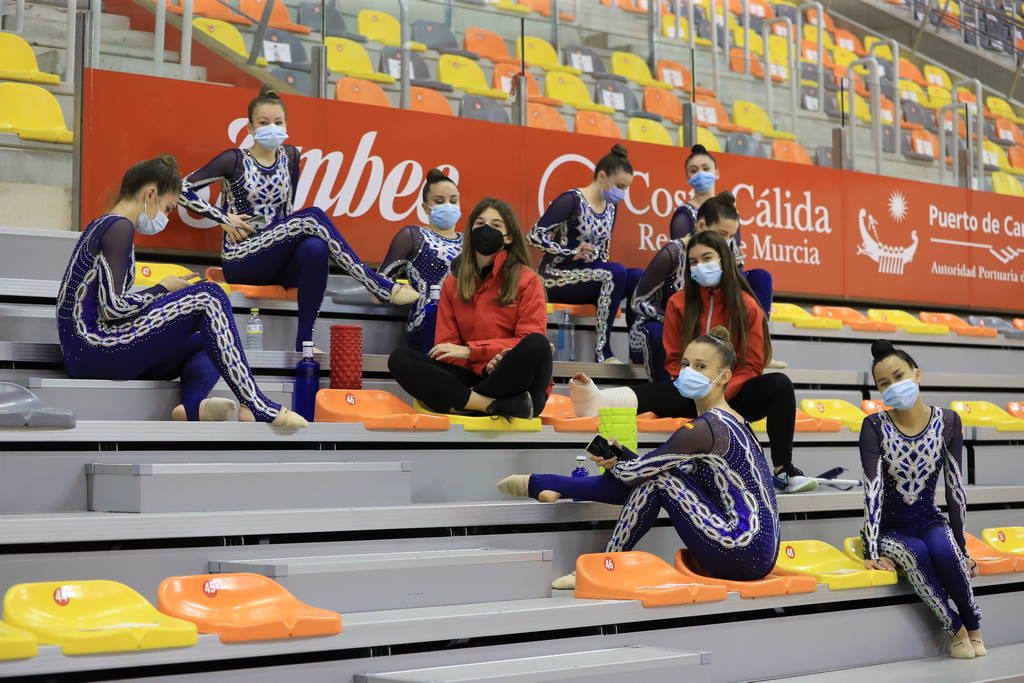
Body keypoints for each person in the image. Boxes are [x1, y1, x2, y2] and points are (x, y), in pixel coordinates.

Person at [498, 327, 780, 590]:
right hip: (761, 551)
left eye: (701, 367)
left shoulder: (704, 429)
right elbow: (654, 471)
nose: (688, 372)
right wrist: (622, 458)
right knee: (654, 477)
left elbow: (637, 475)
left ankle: (602, 558)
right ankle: (550, 488)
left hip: (741, 549)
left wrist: (621, 462)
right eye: (685, 364)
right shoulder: (734, 421)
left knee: (655, 481)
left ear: (725, 376)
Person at [56, 155, 306, 429]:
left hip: (89, 352)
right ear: (150, 194)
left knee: (209, 339)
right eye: (168, 208)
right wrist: (163, 288)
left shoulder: (104, 225)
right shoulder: (119, 227)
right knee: (209, 295)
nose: (165, 216)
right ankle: (256, 403)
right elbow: (114, 307)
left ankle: (192, 407)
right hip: (95, 348)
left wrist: (165, 294)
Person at [568, 231, 815, 494]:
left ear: (724, 260)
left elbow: (753, 365)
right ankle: (596, 400)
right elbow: (674, 359)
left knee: (779, 384)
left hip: (732, 397)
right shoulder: (678, 303)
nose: (699, 266)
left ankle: (783, 470)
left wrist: (717, 391)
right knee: (657, 391)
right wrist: (690, 384)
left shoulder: (748, 307)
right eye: (693, 262)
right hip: (692, 393)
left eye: (707, 258)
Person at [178, 84, 418, 352]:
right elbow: (181, 190)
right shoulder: (233, 160)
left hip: (278, 261)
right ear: (250, 128)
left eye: (278, 122)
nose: (272, 127)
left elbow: (288, 210)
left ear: (286, 124)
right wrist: (223, 217)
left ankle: (304, 342)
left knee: (315, 247)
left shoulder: (291, 156)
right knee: (313, 216)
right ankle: (376, 283)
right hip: (242, 258)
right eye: (264, 122)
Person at [859, 340, 984, 659]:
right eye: (884, 383)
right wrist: (871, 548)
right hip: (890, 529)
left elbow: (956, 489)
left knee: (946, 552)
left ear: (917, 374)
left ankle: (974, 628)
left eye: (899, 376)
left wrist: (962, 546)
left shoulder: (949, 421)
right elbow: (873, 489)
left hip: (929, 519)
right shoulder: (874, 426)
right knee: (916, 555)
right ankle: (954, 627)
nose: (893, 386)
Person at [388, 198, 552, 420]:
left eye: (496, 225)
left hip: (517, 383)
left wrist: (475, 352)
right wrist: (482, 367)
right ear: (470, 231)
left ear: (509, 236)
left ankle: (460, 401)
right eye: (480, 224)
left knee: (537, 344)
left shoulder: (528, 280)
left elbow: (527, 341)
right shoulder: (452, 284)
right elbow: (446, 350)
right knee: (400, 359)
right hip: (475, 379)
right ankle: (489, 405)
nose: (486, 230)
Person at [528, 144, 643, 363]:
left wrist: (605, 273)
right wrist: (571, 252)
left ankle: (636, 353)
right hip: (555, 276)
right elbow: (533, 236)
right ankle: (603, 352)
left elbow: (604, 249)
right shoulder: (571, 200)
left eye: (626, 188)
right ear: (602, 176)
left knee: (638, 277)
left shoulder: (611, 206)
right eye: (619, 185)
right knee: (615, 272)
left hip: (591, 277)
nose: (622, 192)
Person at [630, 191, 738, 382]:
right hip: (657, 330)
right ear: (701, 225)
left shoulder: (721, 260)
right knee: (656, 333)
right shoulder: (672, 254)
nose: (726, 242)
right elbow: (638, 302)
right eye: (722, 234)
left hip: (696, 332)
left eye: (731, 236)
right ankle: (666, 394)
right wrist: (673, 321)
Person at [669, 144, 775, 323]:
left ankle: (757, 331)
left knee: (762, 277)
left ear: (716, 172)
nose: (700, 174)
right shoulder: (684, 215)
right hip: (704, 275)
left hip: (730, 273)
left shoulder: (728, 212)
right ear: (687, 176)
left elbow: (736, 256)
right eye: (694, 170)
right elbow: (683, 260)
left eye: (705, 168)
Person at [379, 168, 464, 353]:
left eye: (454, 200)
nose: (448, 205)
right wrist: (398, 291)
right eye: (439, 201)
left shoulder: (470, 242)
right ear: (426, 207)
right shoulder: (412, 236)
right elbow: (377, 289)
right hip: (426, 324)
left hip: (465, 329)